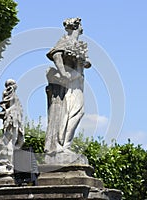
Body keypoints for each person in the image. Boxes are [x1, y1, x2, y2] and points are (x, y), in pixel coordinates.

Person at [45, 18, 91, 155]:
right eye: (81, 25)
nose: (82, 27)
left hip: (77, 82)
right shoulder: (67, 40)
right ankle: (63, 145)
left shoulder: (77, 44)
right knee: (70, 112)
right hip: (69, 84)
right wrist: (63, 72)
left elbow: (86, 64)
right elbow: (56, 54)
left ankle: (65, 144)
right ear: (76, 26)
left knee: (77, 112)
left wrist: (83, 62)